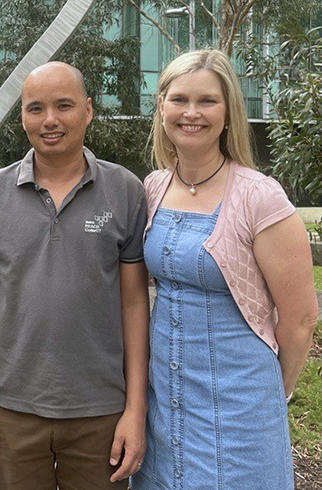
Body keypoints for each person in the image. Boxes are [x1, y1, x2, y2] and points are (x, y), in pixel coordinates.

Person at [129, 50, 318, 490]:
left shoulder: (260, 198)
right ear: (161, 108)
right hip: (167, 401)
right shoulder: (153, 187)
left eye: (207, 101)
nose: (191, 112)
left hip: (241, 409)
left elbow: (301, 318)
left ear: (229, 112)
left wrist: (273, 396)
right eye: (179, 99)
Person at [0, 61, 150, 489]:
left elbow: (135, 304)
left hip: (101, 410)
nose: (50, 120)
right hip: (10, 410)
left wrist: (135, 409)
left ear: (88, 110)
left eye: (64, 105)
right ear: (22, 116)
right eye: (35, 108)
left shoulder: (125, 191)